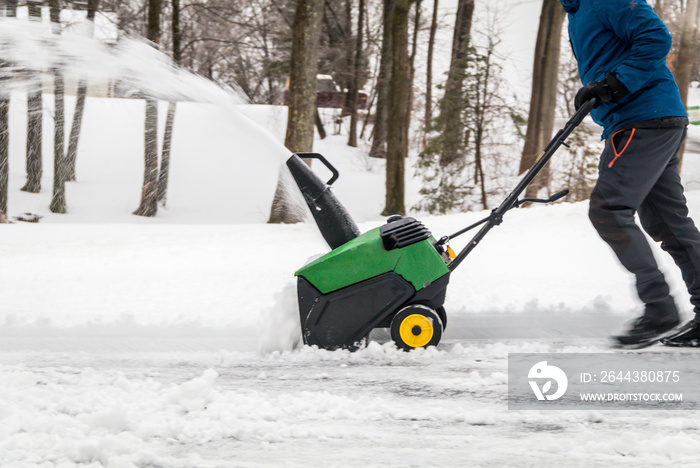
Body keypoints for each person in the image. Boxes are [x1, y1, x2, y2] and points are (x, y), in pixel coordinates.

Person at [560, 0, 700, 348]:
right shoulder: (577, 11)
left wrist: (615, 84)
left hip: (642, 118)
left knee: (608, 209)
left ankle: (659, 309)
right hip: (648, 118)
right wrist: (601, 88)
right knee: (667, 223)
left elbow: (656, 37)